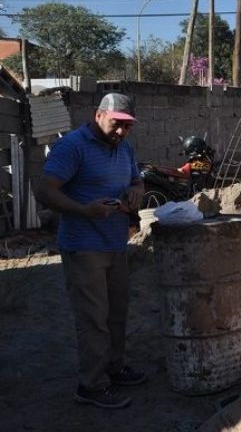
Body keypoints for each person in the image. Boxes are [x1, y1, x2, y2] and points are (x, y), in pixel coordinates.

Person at [35, 93, 146, 409]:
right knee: (93, 318)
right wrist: (84, 210)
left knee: (116, 313)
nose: (122, 132)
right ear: (99, 115)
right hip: (85, 247)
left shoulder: (123, 148)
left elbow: (137, 181)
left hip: (115, 244)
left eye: (128, 126)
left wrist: (135, 193)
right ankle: (91, 385)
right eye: (117, 124)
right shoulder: (73, 146)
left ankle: (114, 368)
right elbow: (44, 190)